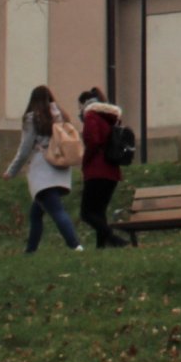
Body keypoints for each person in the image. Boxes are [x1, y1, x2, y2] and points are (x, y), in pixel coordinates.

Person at [4, 86, 84, 253]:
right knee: (36, 213)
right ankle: (30, 250)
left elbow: (25, 149)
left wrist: (11, 171)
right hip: (60, 165)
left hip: (43, 169)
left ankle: (75, 245)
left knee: (56, 210)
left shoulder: (32, 118)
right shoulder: (60, 116)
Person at [77, 87, 127, 248]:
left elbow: (93, 142)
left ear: (85, 103)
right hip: (112, 171)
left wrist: (85, 162)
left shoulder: (91, 116)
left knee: (86, 213)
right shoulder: (109, 118)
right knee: (99, 212)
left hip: (96, 170)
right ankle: (101, 247)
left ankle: (114, 239)